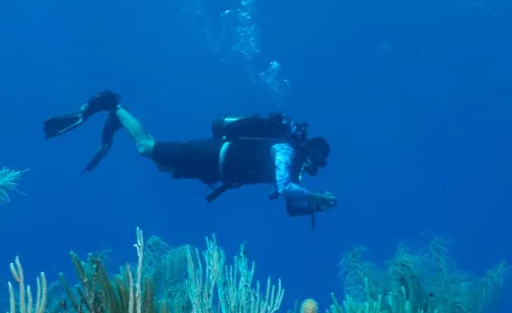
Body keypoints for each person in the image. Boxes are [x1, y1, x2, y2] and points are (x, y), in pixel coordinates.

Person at [44, 90, 338, 223]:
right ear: (307, 149)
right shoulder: (284, 150)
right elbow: (286, 188)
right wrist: (318, 197)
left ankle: (118, 121)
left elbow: (290, 207)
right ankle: (113, 105)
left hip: (214, 170)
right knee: (146, 147)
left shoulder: (293, 169)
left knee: (160, 165)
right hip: (209, 154)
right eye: (317, 160)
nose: (315, 167)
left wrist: (318, 207)